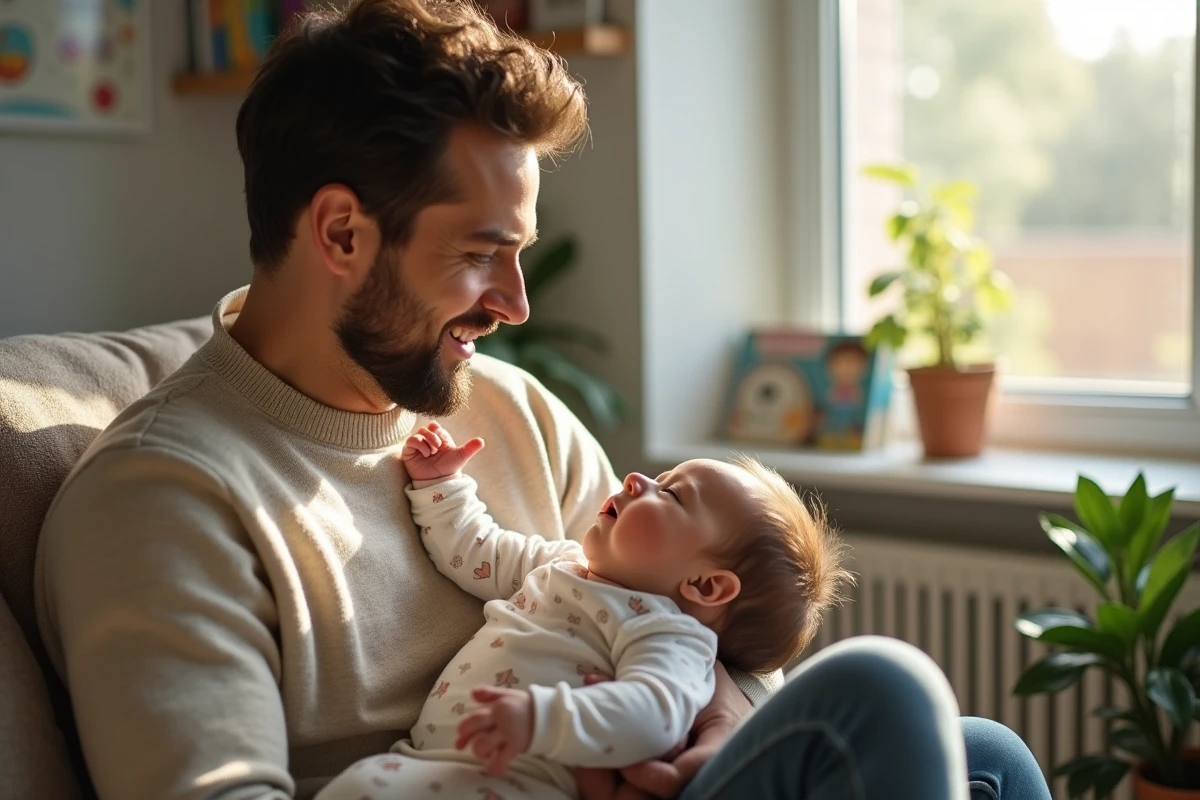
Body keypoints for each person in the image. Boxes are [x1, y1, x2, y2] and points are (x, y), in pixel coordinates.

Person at [33, 1, 1052, 799]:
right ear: (341, 234)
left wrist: (727, 719)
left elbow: (684, 626)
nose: (516, 305)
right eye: (481, 256)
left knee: (987, 756)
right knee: (887, 689)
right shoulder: (163, 499)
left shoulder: (514, 412)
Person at [317, 423, 850, 800]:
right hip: (424, 761)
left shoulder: (668, 635)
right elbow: (477, 552)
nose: (638, 479)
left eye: (673, 495)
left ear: (706, 585)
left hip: (518, 782)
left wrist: (543, 719)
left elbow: (653, 716)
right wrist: (440, 486)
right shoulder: (565, 561)